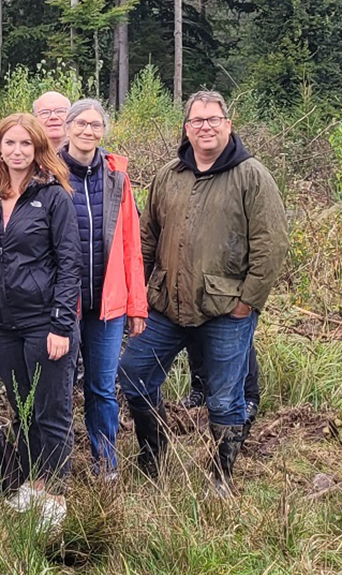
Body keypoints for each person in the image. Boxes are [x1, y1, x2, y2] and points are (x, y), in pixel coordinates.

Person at [119, 91, 288, 497]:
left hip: (226, 309)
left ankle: (220, 476)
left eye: (214, 119)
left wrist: (247, 302)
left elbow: (272, 244)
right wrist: (137, 295)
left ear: (228, 125)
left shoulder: (252, 176)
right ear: (187, 128)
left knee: (225, 400)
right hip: (164, 305)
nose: (206, 127)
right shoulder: (168, 175)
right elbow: (146, 238)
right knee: (133, 375)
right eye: (197, 120)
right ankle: (152, 454)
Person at [0, 113, 79, 530]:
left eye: (25, 144)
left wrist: (62, 325)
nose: (17, 151)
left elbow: (69, 264)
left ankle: (56, 495)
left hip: (45, 323)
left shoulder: (54, 197)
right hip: (3, 324)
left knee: (53, 409)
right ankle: (34, 482)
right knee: (22, 407)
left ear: (38, 149)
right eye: (9, 143)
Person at [58, 99, 148, 480]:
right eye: (81, 123)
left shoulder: (116, 178)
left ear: (103, 131)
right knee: (58, 389)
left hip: (107, 304)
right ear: (67, 127)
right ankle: (54, 465)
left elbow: (131, 245)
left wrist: (136, 304)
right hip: (64, 303)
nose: (88, 131)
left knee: (102, 388)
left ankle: (105, 464)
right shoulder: (50, 172)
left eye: (95, 125)